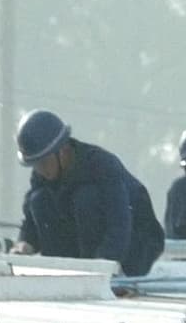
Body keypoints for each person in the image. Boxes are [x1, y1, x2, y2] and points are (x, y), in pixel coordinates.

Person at [10, 109, 165, 275]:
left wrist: (102, 267)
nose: (40, 170)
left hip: (136, 243)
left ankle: (91, 272)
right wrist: (24, 243)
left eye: (44, 162)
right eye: (36, 165)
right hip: (88, 245)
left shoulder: (103, 166)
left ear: (62, 151)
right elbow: (31, 220)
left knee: (86, 198)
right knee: (38, 200)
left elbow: (120, 223)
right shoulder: (42, 174)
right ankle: (60, 272)